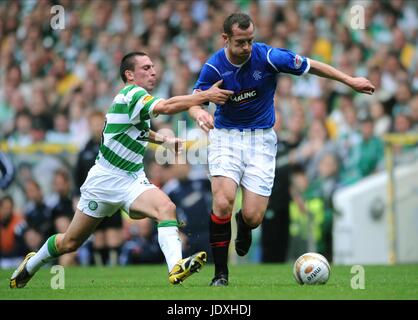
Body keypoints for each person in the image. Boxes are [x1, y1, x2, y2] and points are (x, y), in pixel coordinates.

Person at [10, 51, 233, 288]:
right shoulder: (132, 94)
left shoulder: (135, 99)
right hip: (105, 180)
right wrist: (204, 96)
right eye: (146, 68)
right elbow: (167, 107)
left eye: (153, 67)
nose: (153, 71)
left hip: (132, 179)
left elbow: (136, 130)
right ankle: (32, 264)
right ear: (129, 74)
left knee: (166, 207)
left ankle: (175, 268)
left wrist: (163, 141)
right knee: (70, 242)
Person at [189, 13, 375, 286]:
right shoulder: (214, 67)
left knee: (254, 216)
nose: (247, 47)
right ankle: (220, 275)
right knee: (223, 200)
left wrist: (350, 81)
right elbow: (193, 101)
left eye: (250, 40)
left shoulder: (268, 57)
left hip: (262, 141)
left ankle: (244, 224)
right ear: (225, 38)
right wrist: (199, 112)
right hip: (226, 138)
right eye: (241, 42)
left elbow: (312, 66)